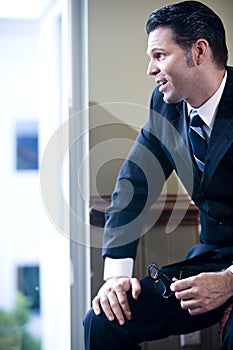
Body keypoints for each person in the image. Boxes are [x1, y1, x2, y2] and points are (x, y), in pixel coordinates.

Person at [84, 1, 233, 349]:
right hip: (209, 257)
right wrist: (116, 279)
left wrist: (229, 282)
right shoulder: (164, 105)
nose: (151, 69)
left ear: (198, 51)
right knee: (105, 319)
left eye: (159, 55)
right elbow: (133, 185)